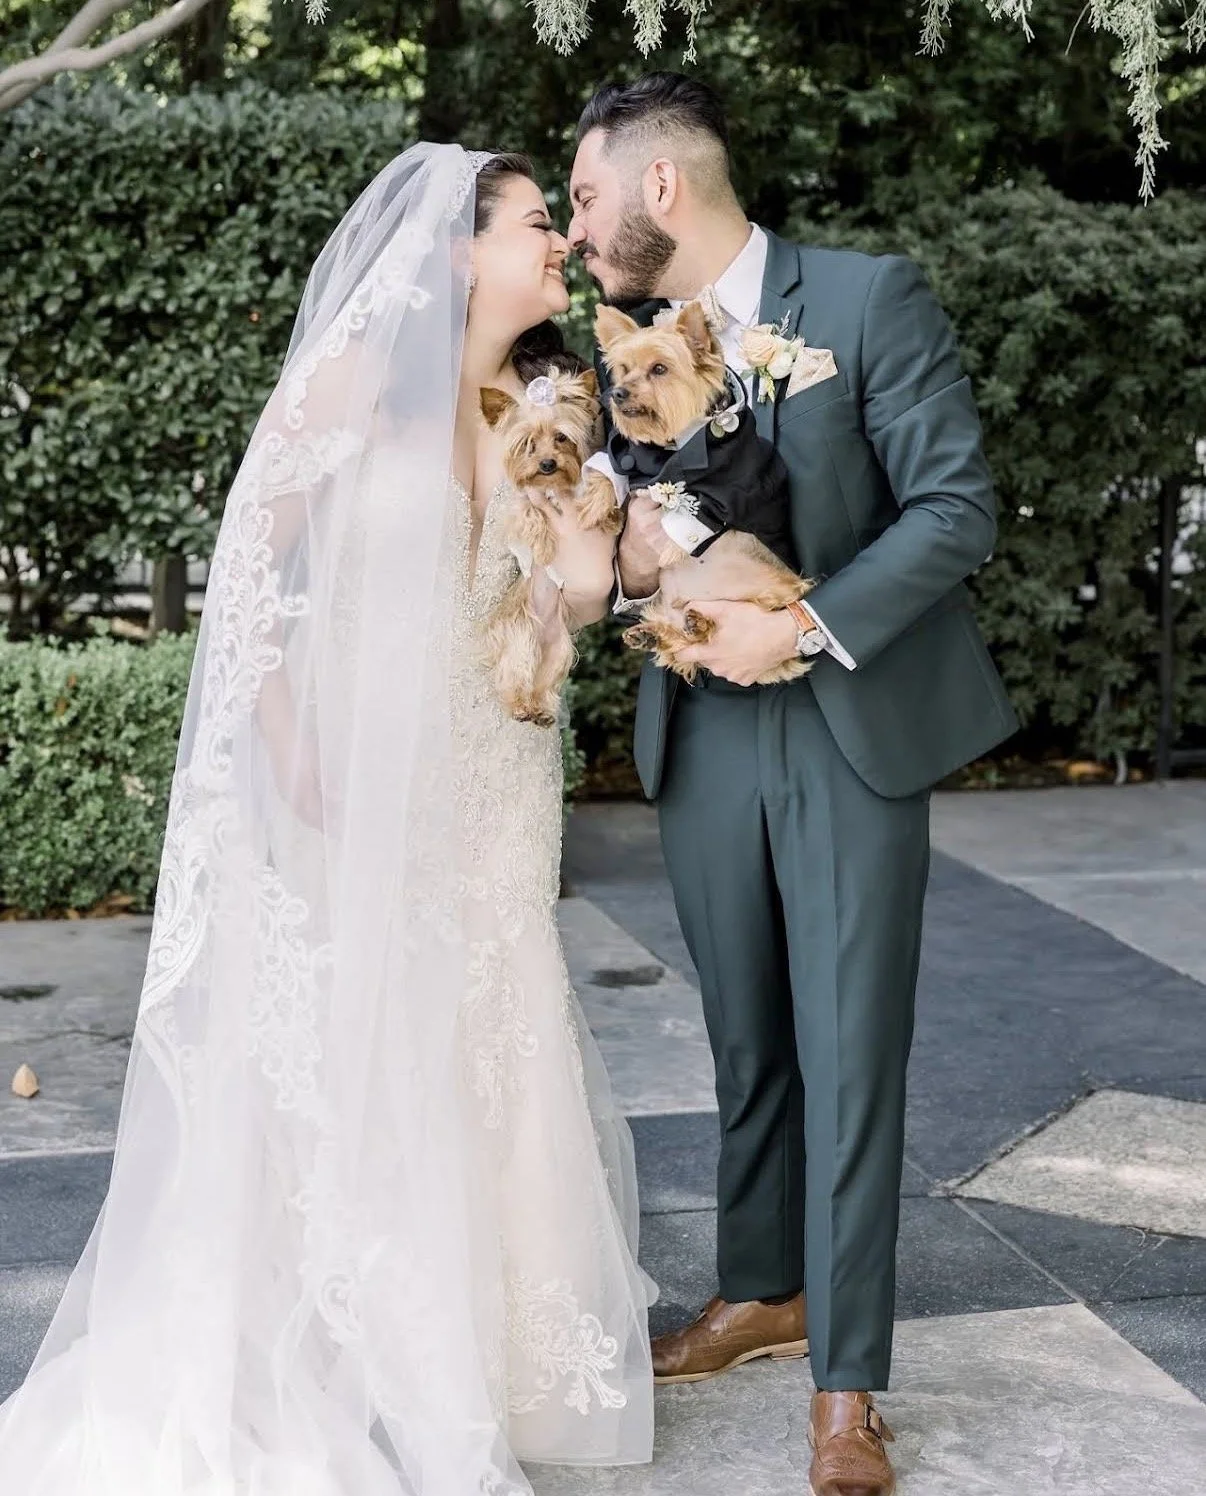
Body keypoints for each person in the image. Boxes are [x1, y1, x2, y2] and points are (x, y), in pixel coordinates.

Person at [0, 143, 653, 1496]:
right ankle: (349, 1344)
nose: (559, 247)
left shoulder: (546, 399)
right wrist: (285, 734)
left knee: (492, 1013)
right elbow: (256, 562)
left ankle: (483, 1360)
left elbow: (564, 602)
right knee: (362, 1028)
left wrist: (610, 545)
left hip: (492, 769)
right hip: (353, 771)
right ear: (457, 250)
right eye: (539, 224)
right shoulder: (355, 383)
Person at [568, 73, 1018, 1496]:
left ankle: (847, 1384)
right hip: (697, 732)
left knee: (849, 1053)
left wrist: (804, 623)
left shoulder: (867, 300)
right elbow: (616, 524)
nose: (574, 233)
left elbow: (955, 505)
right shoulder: (620, 345)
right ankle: (759, 1291)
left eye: (583, 200)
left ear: (659, 189)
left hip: (844, 725)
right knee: (747, 1040)